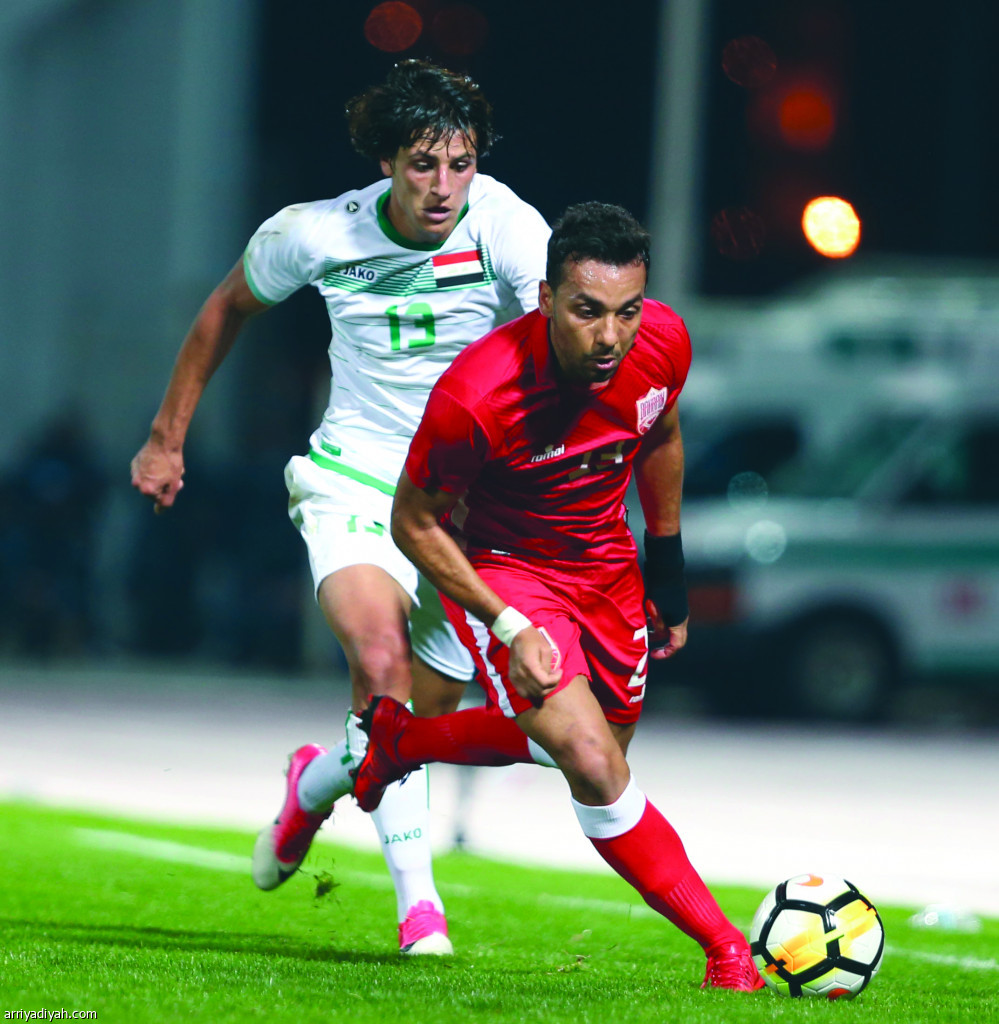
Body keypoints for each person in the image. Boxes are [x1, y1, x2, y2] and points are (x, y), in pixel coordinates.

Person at [130, 59, 552, 955]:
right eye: (422, 164)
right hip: (353, 480)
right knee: (379, 664)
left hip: (460, 504)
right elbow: (225, 309)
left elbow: (555, 340)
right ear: (386, 161)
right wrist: (166, 440)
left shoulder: (508, 226)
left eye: (460, 164)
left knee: (413, 731)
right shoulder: (318, 233)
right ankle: (420, 911)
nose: (443, 187)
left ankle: (314, 785)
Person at [352, 202, 764, 991]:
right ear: (544, 299)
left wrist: (666, 570)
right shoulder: (477, 394)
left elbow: (661, 433)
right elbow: (411, 523)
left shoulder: (663, 342)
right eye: (586, 311)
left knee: (595, 750)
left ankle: (403, 742)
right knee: (590, 761)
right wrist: (506, 623)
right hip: (507, 568)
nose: (610, 336)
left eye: (626, 311)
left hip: (605, 567)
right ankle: (725, 949)